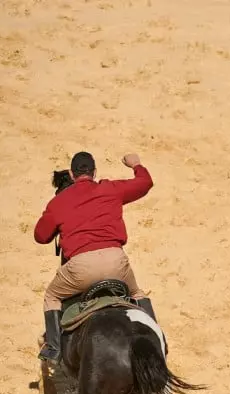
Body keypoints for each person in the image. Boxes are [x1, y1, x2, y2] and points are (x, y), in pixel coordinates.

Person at [34, 151, 155, 365]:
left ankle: (53, 348)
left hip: (80, 269)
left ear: (71, 174)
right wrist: (136, 164)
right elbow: (145, 183)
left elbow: (41, 236)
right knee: (136, 292)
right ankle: (153, 342)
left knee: (51, 297)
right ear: (94, 172)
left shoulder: (59, 202)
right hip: (116, 262)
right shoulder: (110, 188)